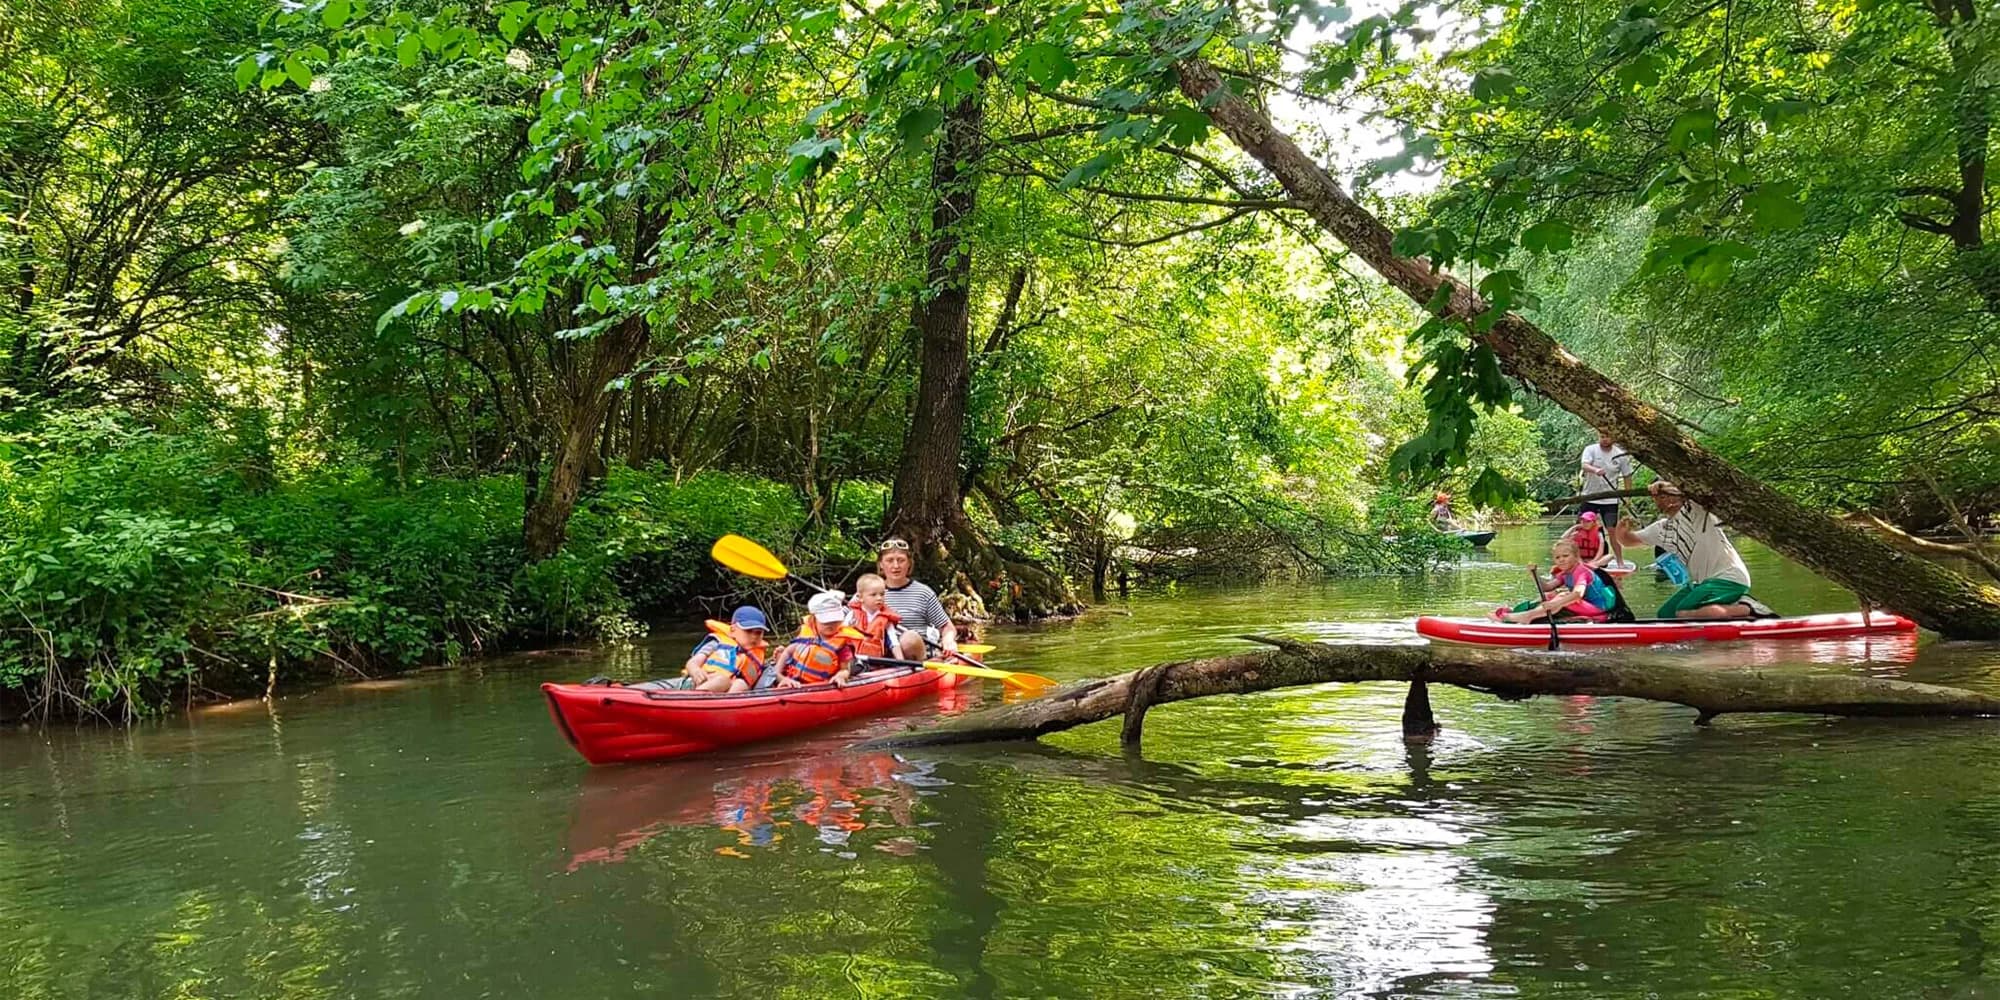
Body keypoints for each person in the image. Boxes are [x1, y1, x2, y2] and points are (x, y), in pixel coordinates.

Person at [1612, 480, 1755, 619]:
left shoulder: (1696, 509)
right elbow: (1628, 541)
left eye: (1665, 496)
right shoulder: (1661, 528)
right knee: (1666, 614)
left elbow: (1703, 488)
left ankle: (1748, 608)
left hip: (1729, 578)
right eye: (1658, 498)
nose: (1662, 500)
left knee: (1684, 611)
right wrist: (1621, 532)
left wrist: (1666, 485)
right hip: (1702, 583)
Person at [1491, 540, 1615, 623]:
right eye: (1557, 557)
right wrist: (1534, 575)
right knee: (1550, 595)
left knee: (1563, 595)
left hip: (1598, 610)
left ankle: (1527, 616)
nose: (1561, 560)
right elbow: (1547, 587)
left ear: (1576, 556)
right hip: (1586, 606)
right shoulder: (1565, 574)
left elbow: (1578, 594)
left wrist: (1556, 604)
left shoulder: (1581, 571)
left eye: (1565, 556)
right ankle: (1522, 612)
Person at [874, 539, 957, 661]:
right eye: (889, 560)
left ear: (909, 564)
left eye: (901, 560)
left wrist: (948, 640)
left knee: (909, 639)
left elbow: (947, 627)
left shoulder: (923, 593)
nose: (895, 566)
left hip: (914, 653)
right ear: (881, 564)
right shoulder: (869, 591)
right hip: (879, 652)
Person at [771, 591, 857, 688]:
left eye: (835, 621)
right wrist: (780, 677)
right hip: (791, 681)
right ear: (813, 620)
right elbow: (787, 652)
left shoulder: (842, 646)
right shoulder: (805, 635)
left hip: (818, 686)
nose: (831, 625)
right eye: (826, 621)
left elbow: (845, 669)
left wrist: (840, 676)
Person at [679, 605, 769, 693]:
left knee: (741, 683)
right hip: (698, 682)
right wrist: (695, 671)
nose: (753, 636)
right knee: (723, 680)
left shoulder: (757, 656)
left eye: (758, 633)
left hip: (727, 690)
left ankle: (725, 705)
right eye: (748, 631)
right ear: (733, 630)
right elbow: (692, 662)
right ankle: (693, 701)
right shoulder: (717, 643)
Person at [1580, 431, 1633, 563]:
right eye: (1602, 436)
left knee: (1612, 531)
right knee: (1583, 529)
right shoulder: (1590, 449)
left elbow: (1627, 476)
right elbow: (1584, 465)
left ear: (1614, 438)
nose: (1604, 439)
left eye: (1607, 436)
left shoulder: (1620, 454)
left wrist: (1627, 496)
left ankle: (1620, 561)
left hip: (1610, 500)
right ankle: (1579, 560)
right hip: (1589, 496)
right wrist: (1595, 470)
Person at [845, 573, 900, 660]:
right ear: (860, 597)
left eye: (882, 594)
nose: (879, 598)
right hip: (854, 658)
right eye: (873, 595)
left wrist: (901, 660)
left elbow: (894, 643)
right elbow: (841, 637)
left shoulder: (886, 619)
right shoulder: (852, 615)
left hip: (876, 661)